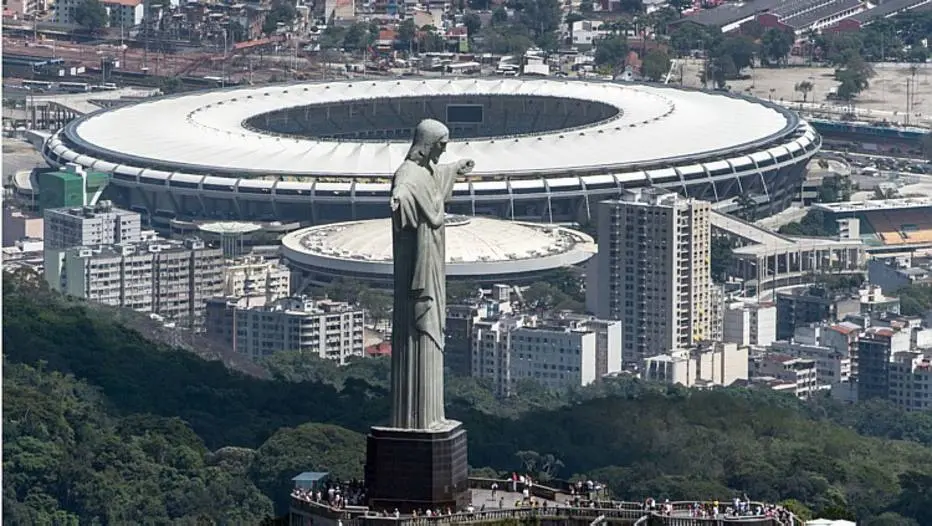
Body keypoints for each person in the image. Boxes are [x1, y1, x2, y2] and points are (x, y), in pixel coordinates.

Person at [389, 119, 474, 430]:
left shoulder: (427, 170)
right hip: (418, 265)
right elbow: (405, 188)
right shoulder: (408, 173)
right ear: (426, 144)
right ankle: (415, 420)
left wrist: (455, 168)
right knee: (417, 333)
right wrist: (399, 199)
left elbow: (434, 178)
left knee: (431, 334)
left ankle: (431, 417)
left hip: (434, 258)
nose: (445, 148)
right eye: (441, 144)